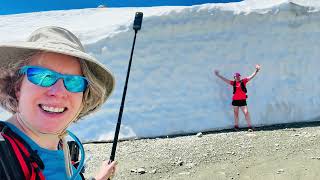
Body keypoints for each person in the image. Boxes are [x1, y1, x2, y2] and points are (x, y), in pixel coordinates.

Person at [0, 26, 117, 179]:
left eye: (74, 82)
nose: (59, 92)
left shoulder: (62, 146)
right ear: (18, 87)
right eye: (43, 76)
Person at [214, 65, 261, 131]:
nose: (238, 77)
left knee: (246, 112)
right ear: (234, 77)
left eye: (239, 76)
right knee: (236, 113)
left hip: (242, 100)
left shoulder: (243, 81)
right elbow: (225, 80)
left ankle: (250, 126)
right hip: (235, 100)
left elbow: (251, 76)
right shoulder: (233, 83)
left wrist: (256, 71)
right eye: (236, 76)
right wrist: (218, 75)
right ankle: (236, 126)